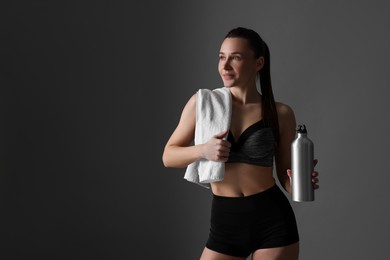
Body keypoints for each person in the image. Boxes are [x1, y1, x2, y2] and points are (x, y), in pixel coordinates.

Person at [162, 27, 319, 260]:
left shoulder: (281, 113)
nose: (225, 66)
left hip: (273, 220)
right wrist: (203, 150)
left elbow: (284, 176)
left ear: (259, 63)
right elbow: (168, 156)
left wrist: (296, 182)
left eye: (235, 57)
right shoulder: (202, 103)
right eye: (221, 57)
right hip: (226, 223)